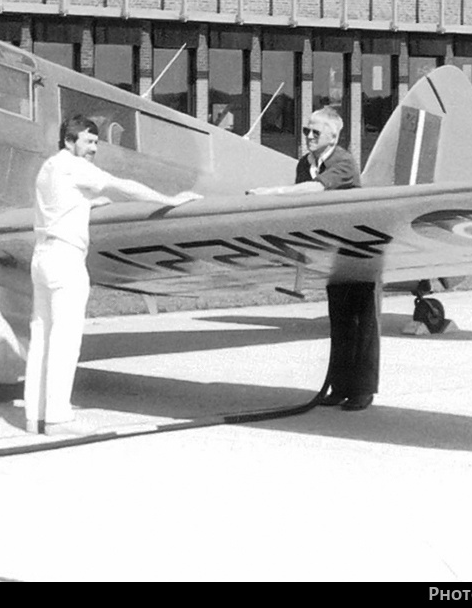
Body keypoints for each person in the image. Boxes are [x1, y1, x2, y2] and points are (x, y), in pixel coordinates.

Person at [25, 115, 203, 435]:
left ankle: (35, 417)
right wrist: (170, 200)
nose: (94, 148)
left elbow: (59, 205)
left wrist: (88, 204)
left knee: (41, 337)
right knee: (65, 341)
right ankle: (57, 420)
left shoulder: (49, 167)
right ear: (69, 141)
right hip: (66, 259)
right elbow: (125, 186)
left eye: (96, 142)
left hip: (41, 258)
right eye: (88, 142)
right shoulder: (76, 166)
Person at [247, 104, 378, 411]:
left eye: (314, 131)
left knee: (362, 323)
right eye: (306, 130)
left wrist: (271, 192)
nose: (307, 135)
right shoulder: (305, 162)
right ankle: (339, 386)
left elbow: (314, 190)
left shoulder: (344, 161)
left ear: (333, 136)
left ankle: (362, 391)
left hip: (358, 249)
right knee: (340, 322)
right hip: (332, 250)